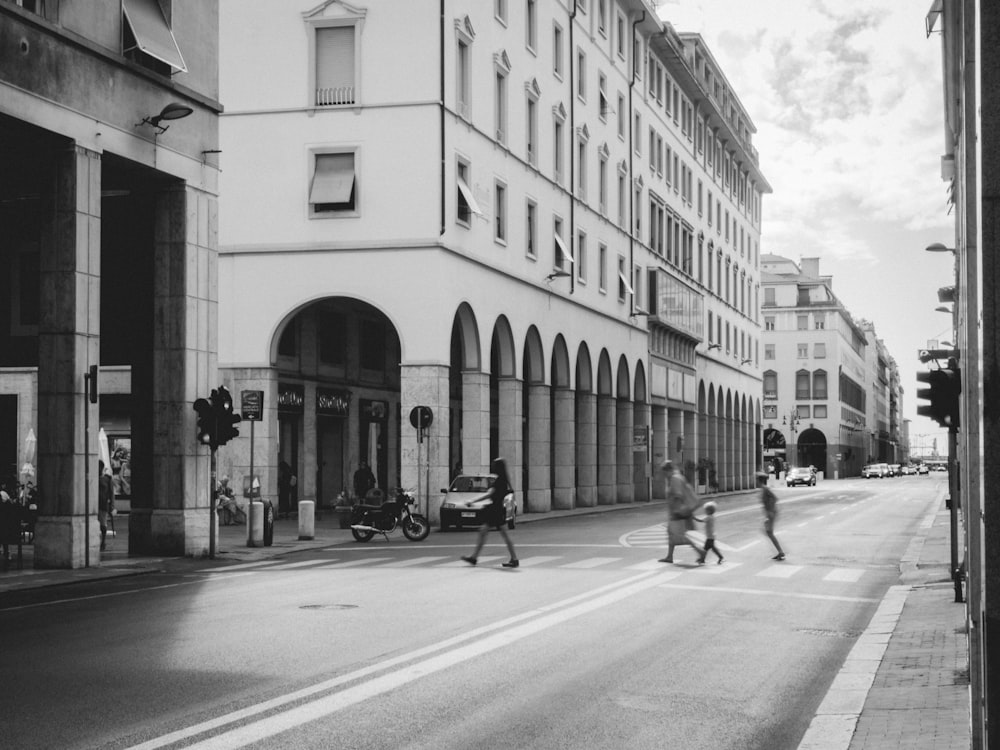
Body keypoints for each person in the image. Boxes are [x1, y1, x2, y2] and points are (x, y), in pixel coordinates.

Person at [462, 457, 519, 568]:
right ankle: (474, 557)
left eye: (494, 465)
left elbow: (488, 494)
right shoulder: (503, 480)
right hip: (496, 509)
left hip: (495, 510)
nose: (492, 466)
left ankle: (514, 558)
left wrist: (472, 501)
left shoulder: (499, 480)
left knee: (499, 534)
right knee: (484, 531)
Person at [658, 460, 702, 564]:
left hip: (678, 512)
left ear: (668, 470)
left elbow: (678, 496)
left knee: (679, 536)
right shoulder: (676, 477)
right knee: (671, 533)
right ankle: (669, 556)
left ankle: (700, 552)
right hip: (677, 511)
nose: (663, 475)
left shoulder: (675, 478)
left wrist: (675, 511)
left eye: (664, 472)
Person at [758, 471, 785, 560]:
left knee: (769, 532)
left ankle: (780, 552)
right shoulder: (763, 489)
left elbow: (775, 498)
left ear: (760, 480)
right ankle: (780, 551)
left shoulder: (765, 489)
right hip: (769, 513)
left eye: (757, 480)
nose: (755, 482)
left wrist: (770, 510)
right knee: (768, 532)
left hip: (771, 513)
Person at [98, 460, 114, 551]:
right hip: (95, 503)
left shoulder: (107, 479)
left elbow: (111, 493)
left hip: (103, 504)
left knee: (103, 524)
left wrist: (112, 506)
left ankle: (103, 541)